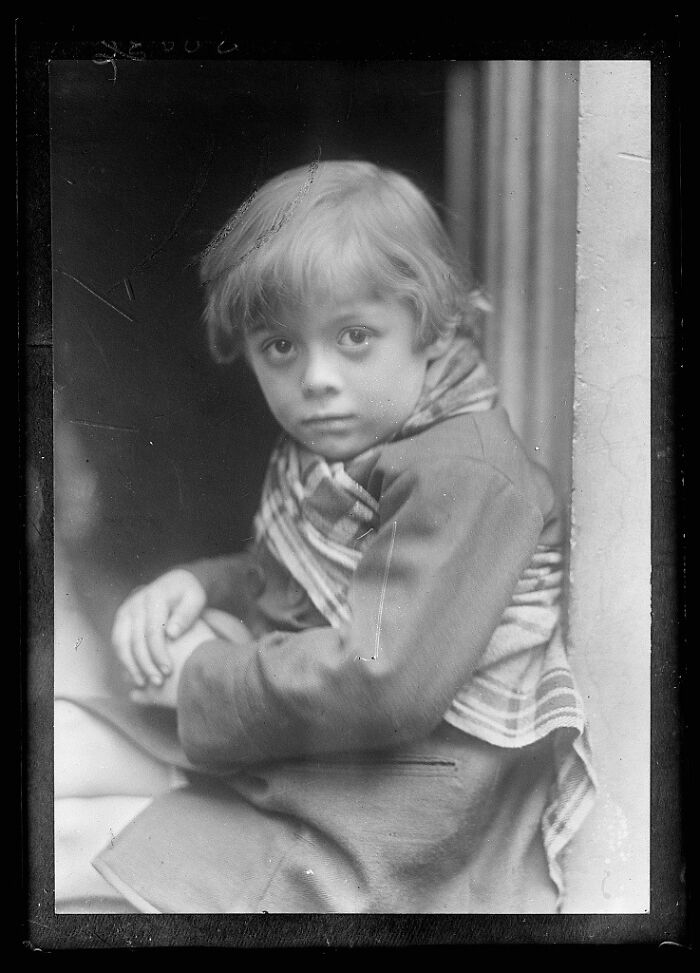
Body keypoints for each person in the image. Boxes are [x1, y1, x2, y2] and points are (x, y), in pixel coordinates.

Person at [55, 160, 596, 914]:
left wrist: (201, 676)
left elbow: (382, 678)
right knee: (59, 750)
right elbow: (296, 584)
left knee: (72, 840)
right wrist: (202, 585)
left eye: (354, 336)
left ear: (431, 326)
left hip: (408, 811)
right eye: (280, 346)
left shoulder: (468, 474)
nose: (317, 378)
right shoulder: (350, 442)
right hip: (330, 755)